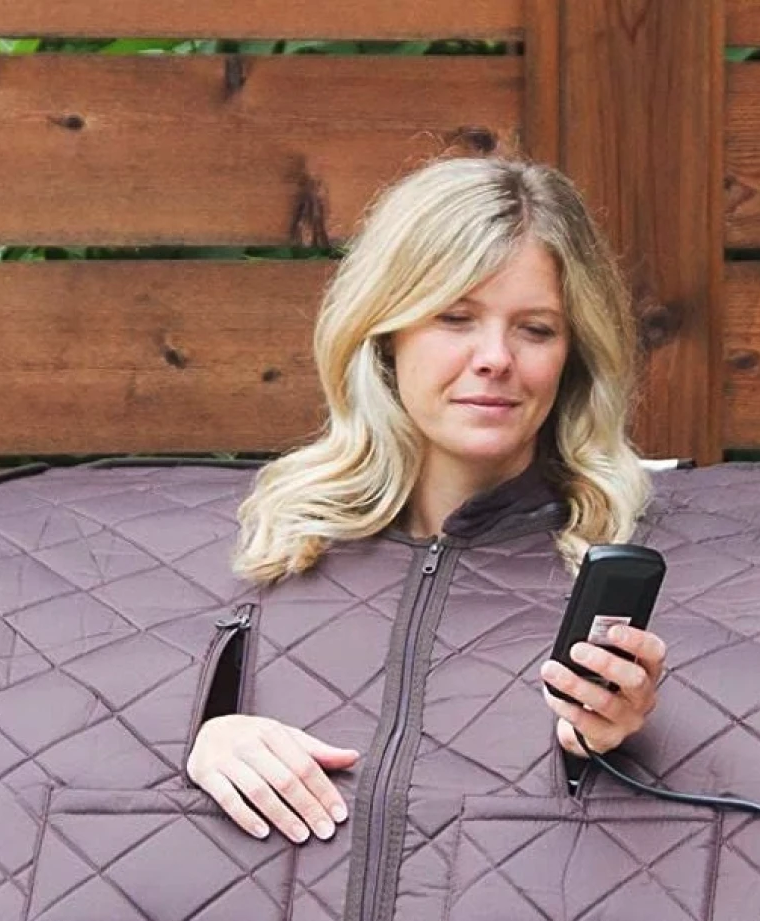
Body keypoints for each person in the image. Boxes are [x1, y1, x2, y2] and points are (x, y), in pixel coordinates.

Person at [184, 153, 669, 837]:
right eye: (455, 317)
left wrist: (618, 747)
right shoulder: (270, 540)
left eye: (535, 329)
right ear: (385, 333)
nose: (496, 358)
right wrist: (204, 740)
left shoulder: (624, 558)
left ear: (573, 357)